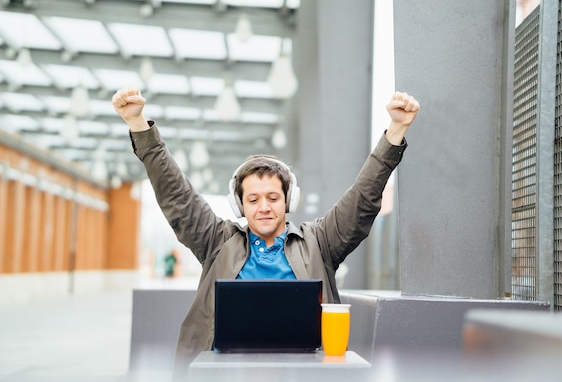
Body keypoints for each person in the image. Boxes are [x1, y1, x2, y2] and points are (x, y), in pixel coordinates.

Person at [111, 87, 420, 376]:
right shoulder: (217, 241)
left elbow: (361, 201)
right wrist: (139, 125)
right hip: (225, 372)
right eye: (253, 199)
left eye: (273, 198)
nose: (264, 207)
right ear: (239, 205)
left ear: (289, 201)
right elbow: (177, 196)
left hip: (303, 372)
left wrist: (394, 133)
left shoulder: (319, 242)